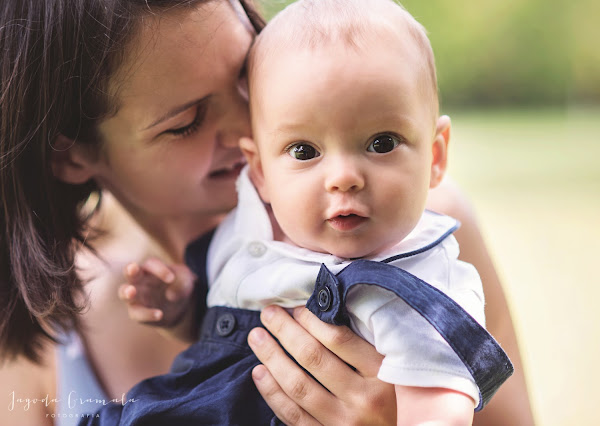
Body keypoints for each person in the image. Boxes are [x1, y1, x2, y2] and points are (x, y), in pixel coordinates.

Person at [0, 0, 534, 425]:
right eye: (186, 121)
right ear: (72, 154)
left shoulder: (421, 237)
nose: (249, 123)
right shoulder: (47, 328)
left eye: (243, 76)